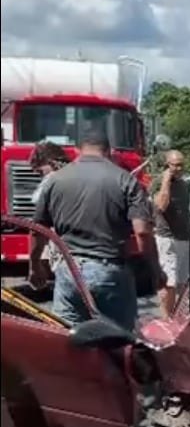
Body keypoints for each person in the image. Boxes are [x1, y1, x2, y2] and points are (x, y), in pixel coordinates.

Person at [30, 127, 162, 331]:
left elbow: (38, 229)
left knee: (66, 339)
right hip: (110, 272)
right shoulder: (125, 180)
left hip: (69, 271)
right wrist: (155, 269)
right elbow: (143, 232)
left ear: (77, 150)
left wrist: (35, 265)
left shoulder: (54, 181)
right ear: (108, 151)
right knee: (118, 342)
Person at [152, 150, 190, 319]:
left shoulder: (184, 184)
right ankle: (166, 319)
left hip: (183, 238)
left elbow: (186, 211)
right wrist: (166, 181)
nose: (179, 168)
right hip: (166, 238)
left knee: (183, 283)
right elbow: (161, 205)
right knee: (169, 282)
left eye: (181, 164)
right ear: (167, 165)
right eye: (175, 165)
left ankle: (179, 319)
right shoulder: (158, 182)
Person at [29, 141, 71, 275]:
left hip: (65, 253)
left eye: (40, 170)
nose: (40, 175)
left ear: (50, 162)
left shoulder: (52, 180)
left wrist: (34, 264)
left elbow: (39, 226)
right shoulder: (79, 175)